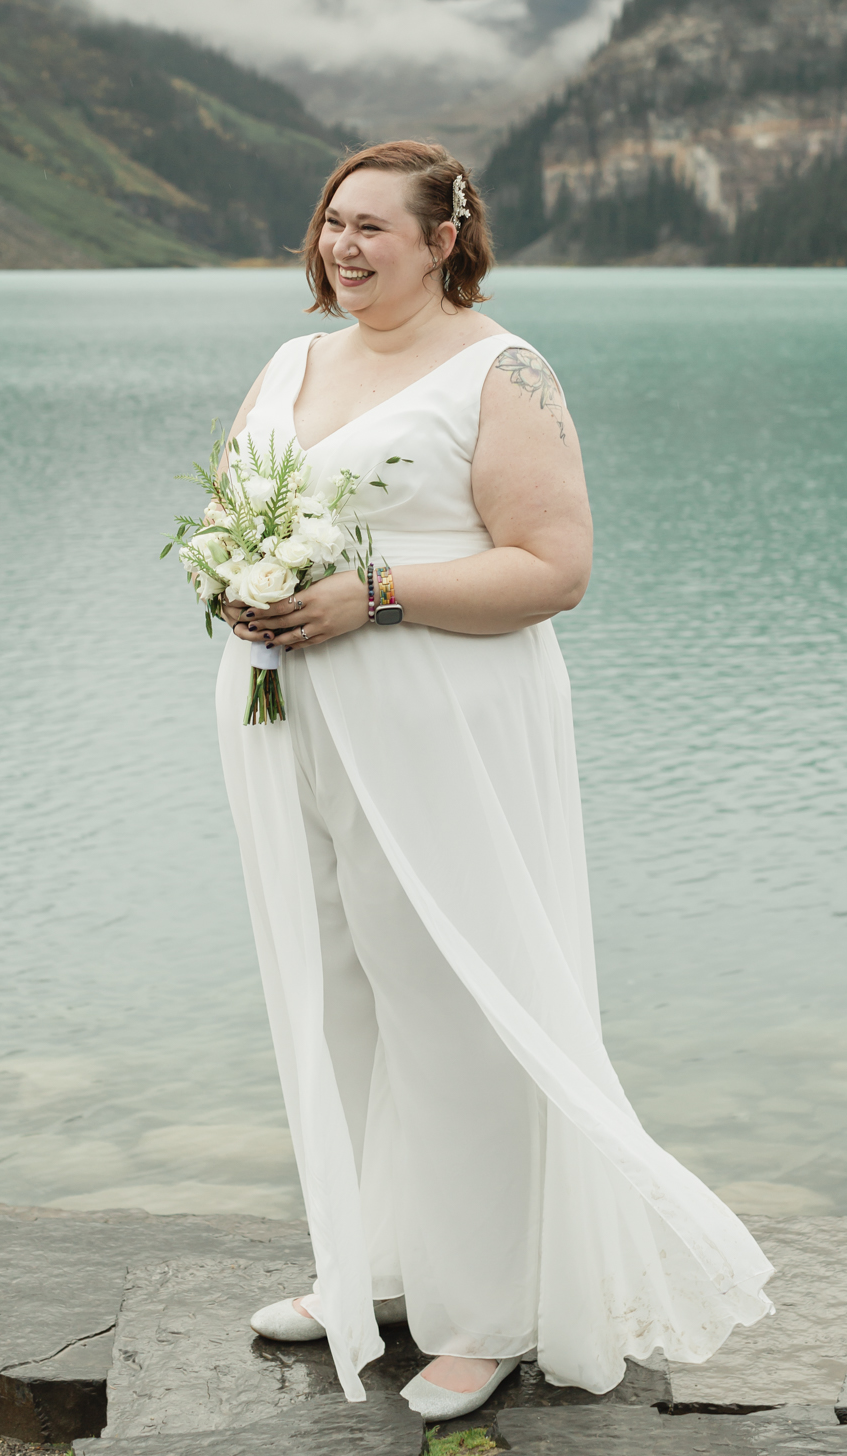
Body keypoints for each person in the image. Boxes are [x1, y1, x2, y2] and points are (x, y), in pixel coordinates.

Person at [213, 141, 773, 1422]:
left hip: (440, 721)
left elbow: (555, 567)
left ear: (444, 241)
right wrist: (234, 583)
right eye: (331, 222)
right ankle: (375, 1265)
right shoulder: (295, 360)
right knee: (333, 984)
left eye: (374, 230)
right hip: (288, 718)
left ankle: (482, 1318)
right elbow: (236, 507)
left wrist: (377, 595)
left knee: (452, 1002)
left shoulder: (501, 370)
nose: (343, 247)